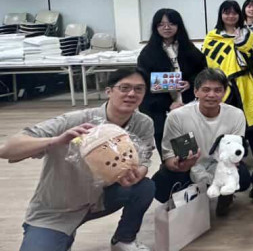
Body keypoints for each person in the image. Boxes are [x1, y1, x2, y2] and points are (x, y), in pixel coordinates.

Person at [0, 68, 155, 251]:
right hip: (58, 210)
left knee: (144, 187)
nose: (131, 94)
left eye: (139, 89)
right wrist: (56, 141)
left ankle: (123, 240)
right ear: (108, 91)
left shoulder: (143, 123)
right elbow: (7, 149)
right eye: (124, 88)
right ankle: (61, 234)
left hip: (100, 199)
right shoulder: (75, 121)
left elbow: (145, 159)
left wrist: (138, 173)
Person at [152, 69, 249, 216]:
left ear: (224, 92)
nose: (211, 95)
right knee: (161, 185)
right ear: (196, 91)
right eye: (206, 90)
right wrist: (181, 165)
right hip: (189, 166)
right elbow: (169, 157)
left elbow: (235, 152)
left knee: (243, 176)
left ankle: (225, 194)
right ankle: (188, 197)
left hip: (220, 165)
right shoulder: (178, 116)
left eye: (218, 90)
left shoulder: (236, 115)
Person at [138, 8, 207, 156]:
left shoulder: (189, 49)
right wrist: (169, 104)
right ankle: (170, 169)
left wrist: (191, 82)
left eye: (171, 23)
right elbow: (144, 85)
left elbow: (202, 72)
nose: (166, 27)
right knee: (168, 150)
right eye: (161, 24)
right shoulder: (147, 53)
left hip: (189, 104)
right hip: (161, 108)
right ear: (155, 27)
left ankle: (188, 168)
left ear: (178, 25)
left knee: (189, 149)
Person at [202, 0, 253, 156]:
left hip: (247, 83)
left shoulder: (247, 34)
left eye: (234, 12)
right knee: (226, 123)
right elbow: (209, 62)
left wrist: (241, 43)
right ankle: (229, 156)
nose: (231, 16)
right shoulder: (213, 36)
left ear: (239, 14)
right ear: (221, 15)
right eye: (226, 12)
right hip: (223, 85)